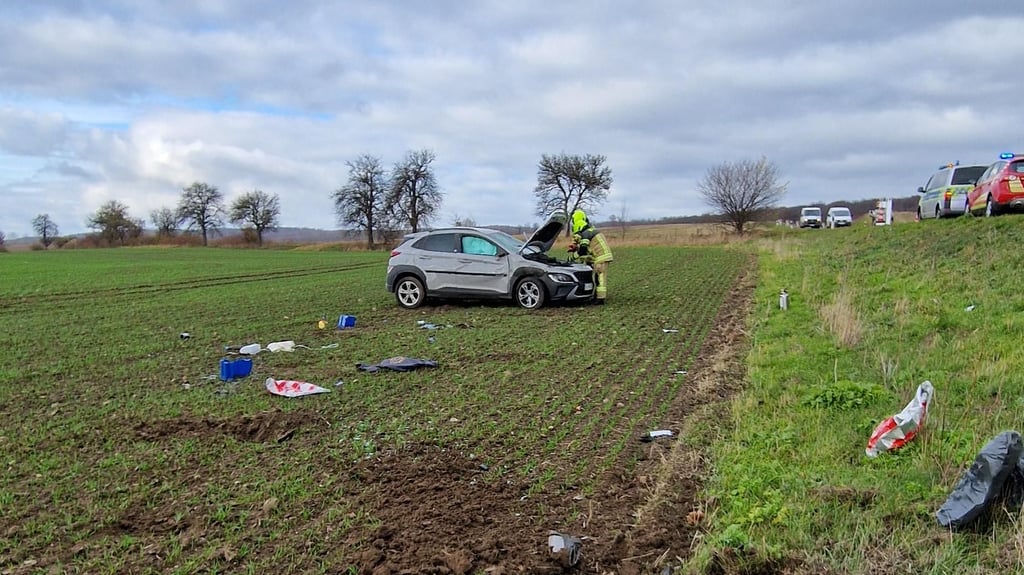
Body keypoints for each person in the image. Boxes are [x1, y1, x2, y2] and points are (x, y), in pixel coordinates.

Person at [568, 209, 613, 303]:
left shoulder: (585, 234)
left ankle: (600, 299)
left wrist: (571, 258)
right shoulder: (590, 230)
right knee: (597, 277)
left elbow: (583, 251)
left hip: (601, 257)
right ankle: (596, 296)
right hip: (602, 256)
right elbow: (587, 247)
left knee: (599, 278)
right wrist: (575, 247)